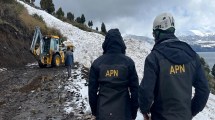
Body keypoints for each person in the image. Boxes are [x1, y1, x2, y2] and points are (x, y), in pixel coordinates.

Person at [138, 13, 210, 120]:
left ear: (157, 33)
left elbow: (146, 91)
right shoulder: (192, 55)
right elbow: (204, 90)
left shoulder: (154, 58)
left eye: (153, 34)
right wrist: (190, 111)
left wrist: (144, 111)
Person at [88, 29, 139, 120]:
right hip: (124, 113)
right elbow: (135, 91)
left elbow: (92, 91)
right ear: (121, 43)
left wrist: (95, 112)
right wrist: (133, 113)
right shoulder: (129, 63)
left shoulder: (97, 63)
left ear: (106, 43)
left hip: (103, 113)